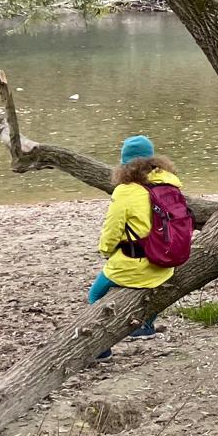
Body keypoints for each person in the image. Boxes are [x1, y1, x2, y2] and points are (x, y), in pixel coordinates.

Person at [90, 135, 180, 355]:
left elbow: (112, 231)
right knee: (153, 287)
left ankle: (102, 351)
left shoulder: (125, 191)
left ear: (125, 164)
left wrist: (106, 251)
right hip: (166, 263)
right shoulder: (170, 185)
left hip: (135, 266)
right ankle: (146, 325)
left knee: (94, 296)